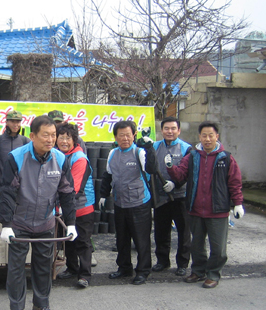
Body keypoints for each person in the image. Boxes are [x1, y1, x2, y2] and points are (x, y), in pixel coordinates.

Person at [0, 115, 77, 310]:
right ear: (32, 136)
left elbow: (67, 192)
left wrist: (71, 223)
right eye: (46, 135)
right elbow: (6, 192)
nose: (51, 139)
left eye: (54, 135)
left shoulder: (60, 159)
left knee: (43, 267)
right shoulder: (15, 158)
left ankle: (41, 306)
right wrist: (6, 224)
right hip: (20, 222)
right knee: (16, 268)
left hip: (45, 221)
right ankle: (17, 309)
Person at [165, 120, 244, 289]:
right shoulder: (193, 156)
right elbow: (180, 175)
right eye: (204, 135)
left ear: (217, 136)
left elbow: (235, 183)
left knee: (218, 247)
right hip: (195, 210)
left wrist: (237, 203)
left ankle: (213, 274)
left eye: (211, 135)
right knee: (197, 244)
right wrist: (170, 166)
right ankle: (198, 271)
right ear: (199, 137)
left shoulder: (226, 158)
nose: (207, 139)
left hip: (218, 210)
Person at [99, 120, 157, 285]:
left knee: (141, 239)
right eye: (121, 135)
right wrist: (103, 195)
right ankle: (124, 268)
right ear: (115, 137)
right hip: (120, 203)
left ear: (134, 136)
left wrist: (150, 149)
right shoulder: (113, 154)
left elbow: (151, 169)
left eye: (128, 135)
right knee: (122, 239)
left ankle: (143, 271)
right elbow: (108, 176)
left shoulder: (139, 152)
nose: (125, 138)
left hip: (140, 203)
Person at [150, 117, 193, 276]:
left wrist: (176, 184)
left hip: (181, 196)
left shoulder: (187, 148)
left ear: (179, 130)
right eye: (166, 128)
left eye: (173, 128)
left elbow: (189, 172)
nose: (170, 131)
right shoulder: (155, 147)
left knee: (183, 231)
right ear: (162, 130)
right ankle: (162, 261)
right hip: (161, 196)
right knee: (161, 230)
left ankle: (182, 263)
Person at [54, 122, 95, 288]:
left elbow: (74, 188)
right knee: (69, 240)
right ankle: (72, 268)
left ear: (74, 140)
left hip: (82, 206)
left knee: (83, 241)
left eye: (68, 138)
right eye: (61, 137)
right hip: (64, 206)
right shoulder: (56, 155)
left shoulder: (79, 158)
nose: (64, 141)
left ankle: (84, 275)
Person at [0, 110, 30, 187]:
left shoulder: (25, 141)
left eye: (18, 122)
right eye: (12, 121)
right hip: (1, 185)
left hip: (19, 186)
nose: (16, 124)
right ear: (6, 122)